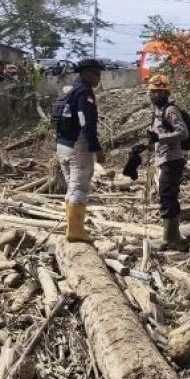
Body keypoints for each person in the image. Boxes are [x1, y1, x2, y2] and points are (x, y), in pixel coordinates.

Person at [56, 58, 104, 242]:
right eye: (96, 74)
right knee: (79, 187)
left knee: (72, 186)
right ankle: (75, 231)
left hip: (63, 144)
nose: (99, 78)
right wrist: (96, 148)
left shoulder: (68, 90)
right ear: (86, 73)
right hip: (78, 144)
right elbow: (86, 123)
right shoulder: (84, 92)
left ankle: (72, 228)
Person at [146, 73, 189, 250]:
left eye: (160, 92)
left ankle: (169, 240)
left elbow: (183, 132)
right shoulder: (157, 113)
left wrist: (161, 138)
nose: (156, 95)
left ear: (167, 93)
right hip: (163, 160)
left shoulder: (170, 111)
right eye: (154, 92)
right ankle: (174, 238)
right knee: (169, 197)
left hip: (172, 160)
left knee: (167, 198)